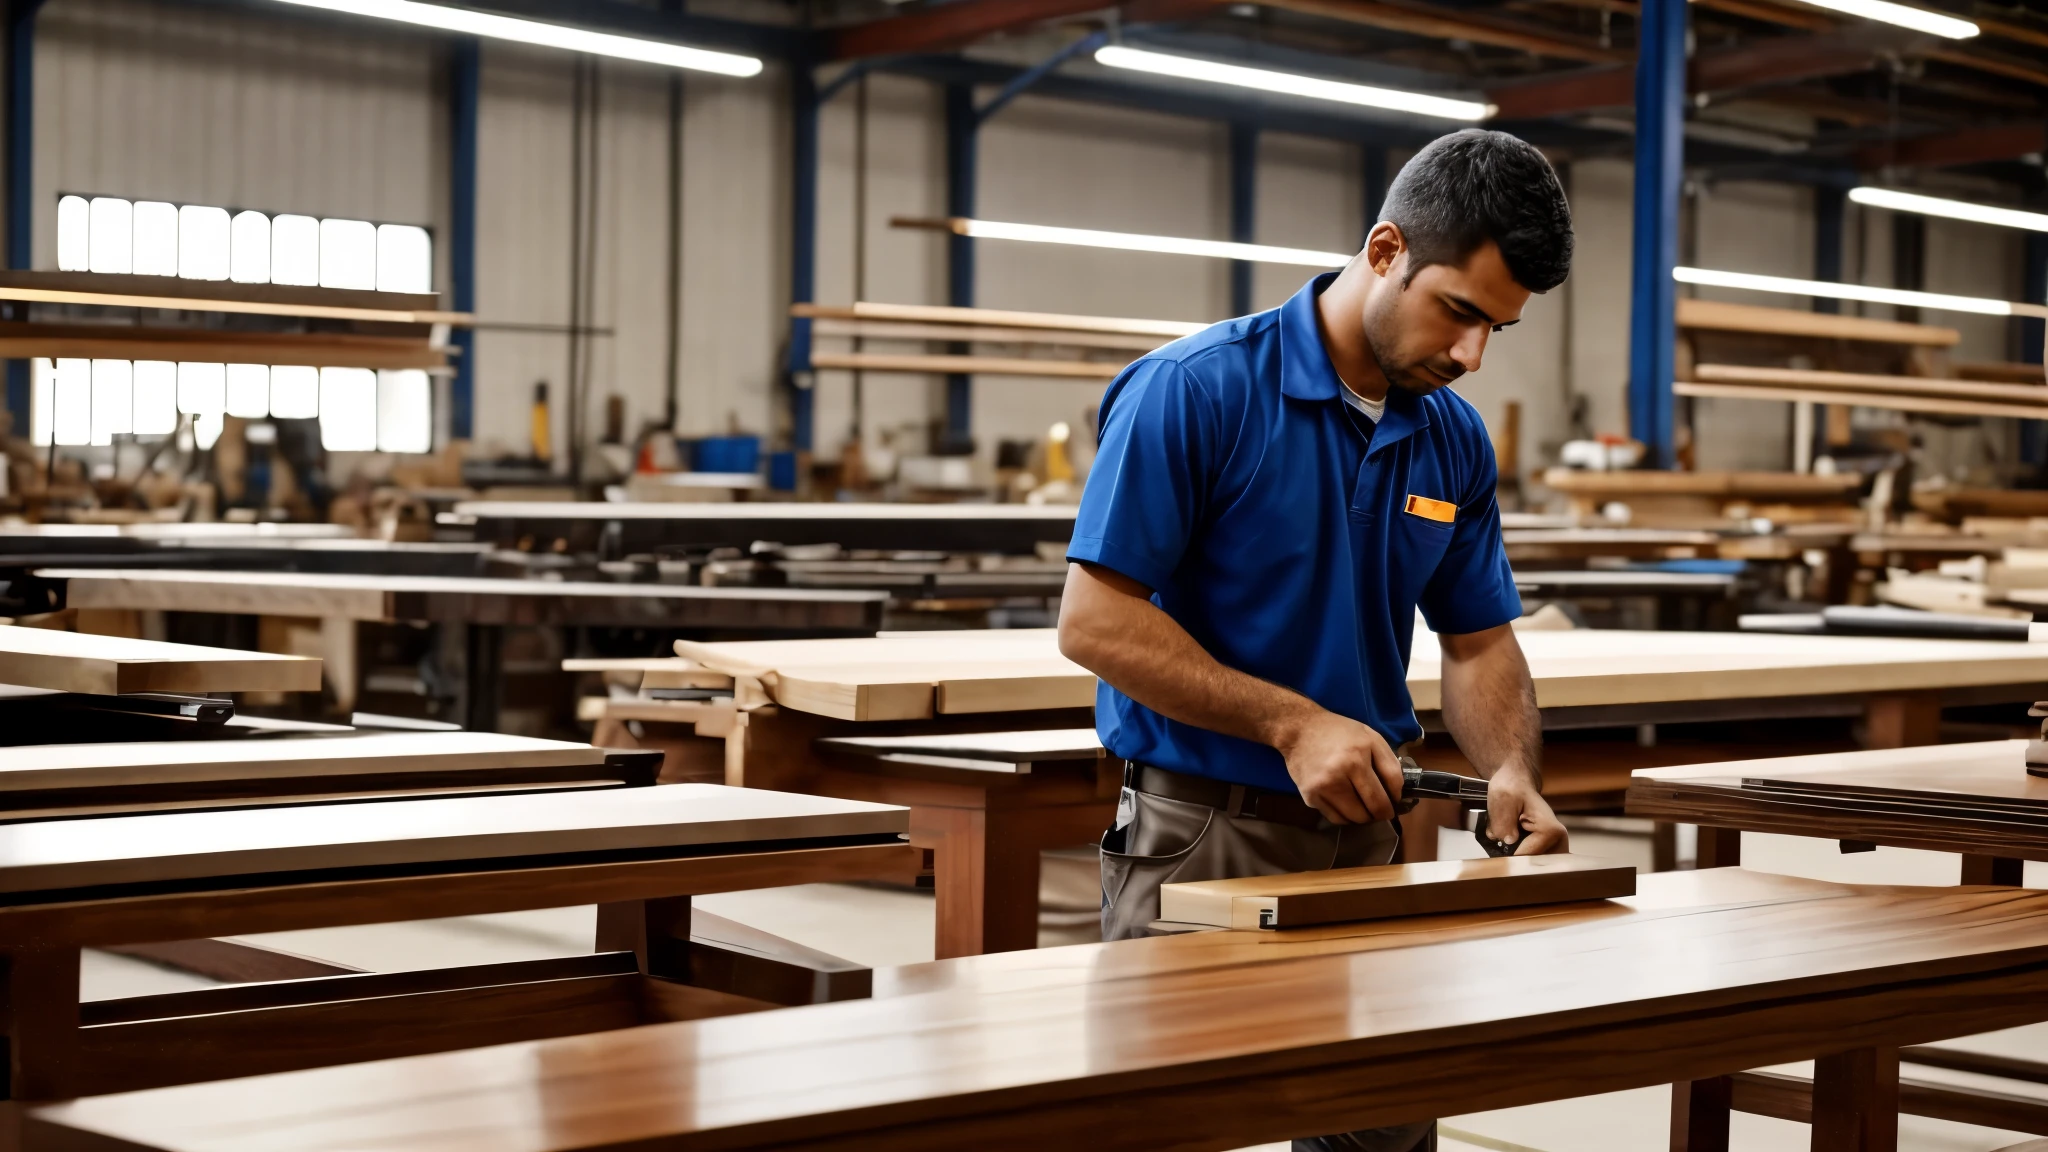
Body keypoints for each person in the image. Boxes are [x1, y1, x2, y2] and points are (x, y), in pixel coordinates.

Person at [1056, 128, 1575, 1152]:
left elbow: (1475, 642)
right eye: (1459, 313)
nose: (1469, 355)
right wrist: (1292, 725)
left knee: (1372, 1134)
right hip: (1202, 834)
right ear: (1383, 251)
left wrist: (1510, 767)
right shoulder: (1197, 390)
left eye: (1496, 332)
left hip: (1370, 841)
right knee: (1165, 1122)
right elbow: (1094, 619)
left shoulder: (1448, 437)